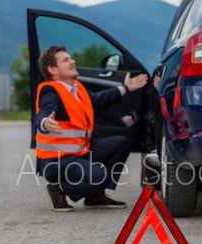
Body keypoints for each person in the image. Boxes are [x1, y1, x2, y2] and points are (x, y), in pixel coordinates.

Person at [35, 45, 148, 212]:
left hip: (79, 152)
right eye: (66, 60)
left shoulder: (77, 88)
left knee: (122, 142)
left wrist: (125, 88)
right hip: (57, 161)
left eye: (70, 58)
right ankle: (58, 189)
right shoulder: (50, 91)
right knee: (98, 175)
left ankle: (95, 196)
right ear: (52, 69)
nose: (72, 61)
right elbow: (45, 109)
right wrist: (44, 122)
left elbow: (98, 99)